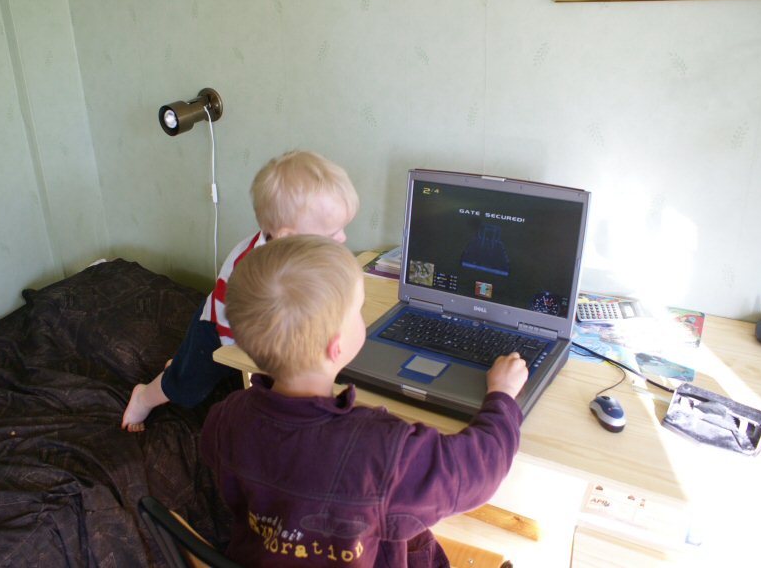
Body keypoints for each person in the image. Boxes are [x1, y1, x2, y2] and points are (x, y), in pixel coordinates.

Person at [200, 235, 528, 567]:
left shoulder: (226, 417)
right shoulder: (381, 450)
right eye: (358, 310)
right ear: (336, 347)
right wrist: (502, 397)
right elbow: (476, 471)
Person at [122, 151, 359, 432]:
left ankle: (182, 364)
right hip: (221, 330)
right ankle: (145, 396)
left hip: (266, 326)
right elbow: (240, 329)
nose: (343, 238)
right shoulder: (252, 271)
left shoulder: (299, 252)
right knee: (187, 389)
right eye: (332, 234)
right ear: (287, 236)